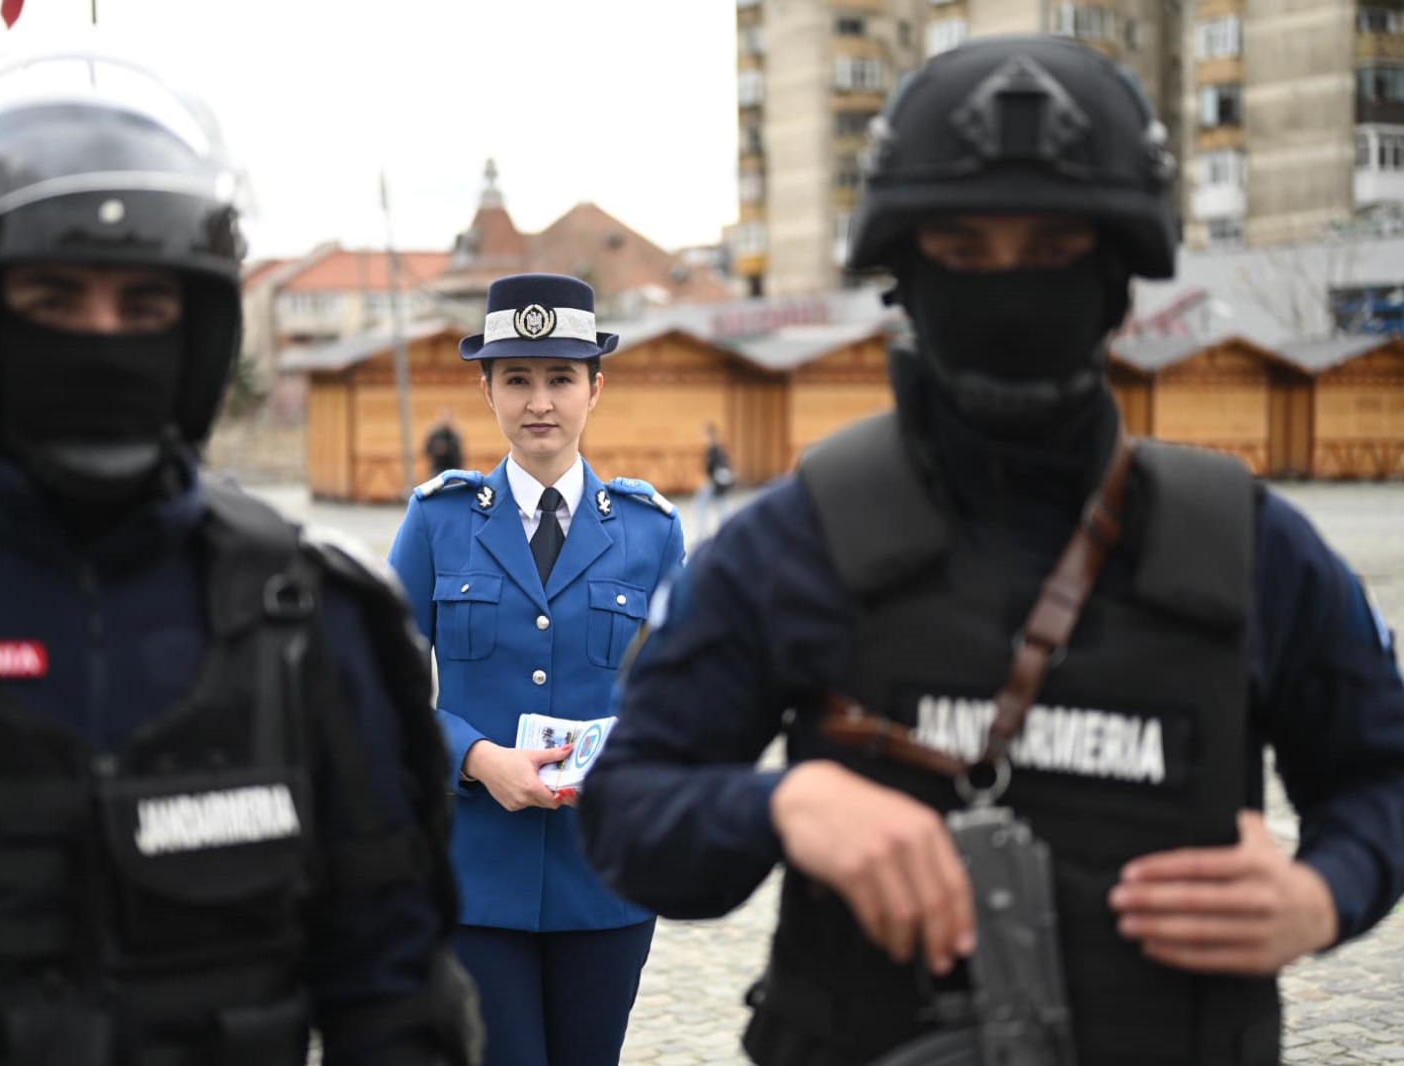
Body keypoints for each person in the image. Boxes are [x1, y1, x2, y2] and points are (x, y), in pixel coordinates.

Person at [580, 35, 1404, 1066]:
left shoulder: (1246, 543)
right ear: (909, 272)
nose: (1010, 288)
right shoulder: (798, 538)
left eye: (1054, 249)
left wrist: (1324, 890)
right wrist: (780, 803)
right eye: (964, 251)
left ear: (1117, 272)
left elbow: (1381, 774)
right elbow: (627, 811)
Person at [0, 45, 480, 1066]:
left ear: (198, 333)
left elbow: (395, 1001)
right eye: (51, 299)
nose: (100, 335)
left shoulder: (308, 619)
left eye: (144, 306)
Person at [388, 274, 686, 1066]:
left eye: (561, 378)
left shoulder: (651, 531)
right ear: (486, 390)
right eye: (517, 379)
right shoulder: (438, 521)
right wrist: (477, 759)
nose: (540, 402)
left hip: (606, 879)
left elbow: (680, 697)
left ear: (596, 388)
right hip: (476, 875)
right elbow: (379, 691)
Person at [691, 421, 734, 543]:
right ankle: (724, 535)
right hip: (715, 483)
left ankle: (703, 537)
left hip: (715, 483)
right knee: (721, 507)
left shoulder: (716, 450)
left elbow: (718, 467)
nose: (702, 438)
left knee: (701, 504)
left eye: (704, 435)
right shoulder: (715, 449)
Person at [425, 408, 466, 477]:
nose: (446, 421)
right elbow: (427, 450)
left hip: (454, 469)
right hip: (438, 468)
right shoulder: (434, 435)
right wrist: (437, 450)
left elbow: (459, 455)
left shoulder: (455, 435)